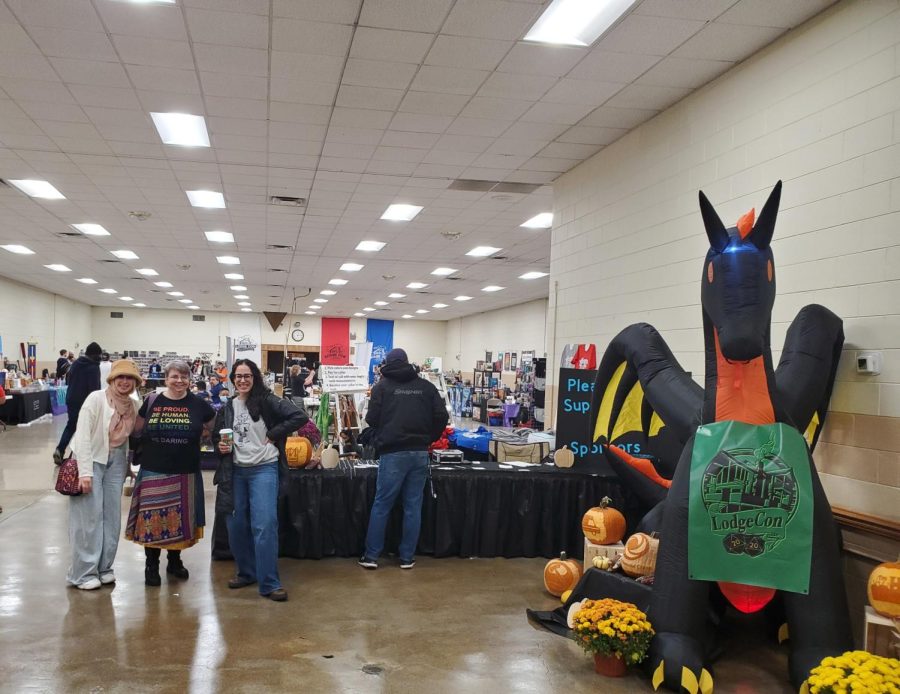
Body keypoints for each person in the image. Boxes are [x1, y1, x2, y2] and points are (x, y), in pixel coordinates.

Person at [213, 359, 306, 602]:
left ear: (255, 378)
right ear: (232, 379)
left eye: (247, 375)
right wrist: (220, 447)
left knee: (264, 525)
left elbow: (298, 416)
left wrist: (274, 434)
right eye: (238, 376)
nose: (242, 380)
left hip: (263, 469)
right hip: (235, 471)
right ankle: (246, 572)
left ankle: (269, 583)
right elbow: (216, 437)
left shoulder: (267, 400)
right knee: (235, 525)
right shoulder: (228, 407)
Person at [125, 360, 216, 586]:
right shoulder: (152, 401)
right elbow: (136, 430)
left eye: (184, 377)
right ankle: (151, 566)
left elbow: (214, 426)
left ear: (190, 380)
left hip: (185, 471)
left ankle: (174, 561)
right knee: (151, 522)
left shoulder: (199, 404)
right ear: (166, 379)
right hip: (153, 468)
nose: (179, 381)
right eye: (175, 376)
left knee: (180, 521)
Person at [358, 348, 448, 571]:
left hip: (393, 453)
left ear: (387, 363)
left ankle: (371, 556)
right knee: (413, 506)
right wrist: (429, 438)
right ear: (408, 362)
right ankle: (407, 557)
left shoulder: (382, 387)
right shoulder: (426, 387)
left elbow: (371, 419)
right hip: (419, 453)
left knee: (382, 505)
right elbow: (442, 416)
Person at [67, 360, 142, 589]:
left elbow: (131, 437)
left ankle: (104, 567)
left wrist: (129, 466)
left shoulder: (133, 405)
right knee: (89, 518)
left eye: (130, 378)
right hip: (91, 461)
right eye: (120, 377)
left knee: (112, 518)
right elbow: (83, 436)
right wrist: (85, 472)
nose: (125, 382)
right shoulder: (96, 399)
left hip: (116, 462)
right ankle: (83, 573)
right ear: (111, 379)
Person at [54, 342, 103, 465]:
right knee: (87, 428)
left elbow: (68, 380)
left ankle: (60, 449)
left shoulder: (75, 363)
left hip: (71, 399)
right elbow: (95, 388)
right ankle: (82, 455)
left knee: (71, 425)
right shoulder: (94, 367)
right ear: (96, 355)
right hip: (85, 402)